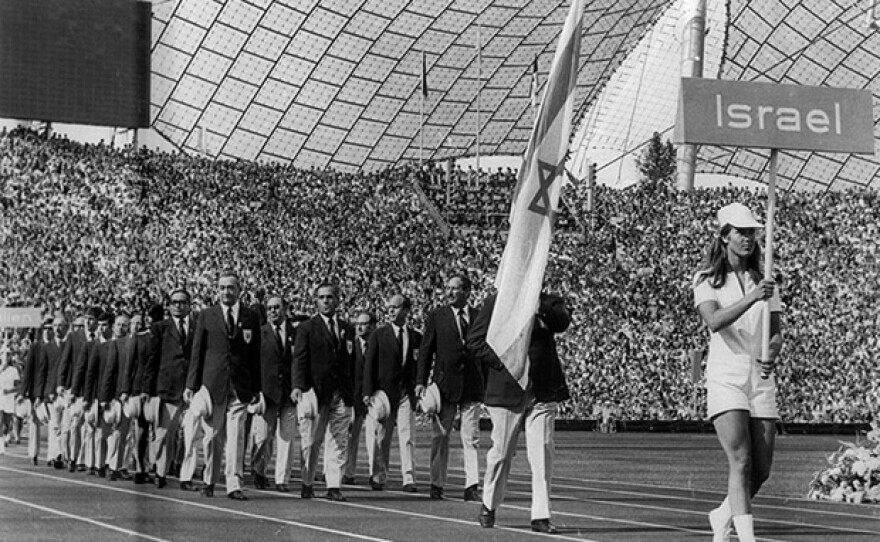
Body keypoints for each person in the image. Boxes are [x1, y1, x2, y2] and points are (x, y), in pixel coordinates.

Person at [693, 202, 782, 542]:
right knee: (741, 460)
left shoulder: (766, 281)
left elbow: (775, 334)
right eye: (741, 232)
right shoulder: (706, 279)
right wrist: (753, 297)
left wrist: (771, 354)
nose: (748, 238)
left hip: (760, 377)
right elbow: (714, 321)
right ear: (725, 236)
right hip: (726, 374)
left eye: (752, 232)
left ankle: (722, 513)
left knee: (760, 470)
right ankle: (746, 538)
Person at [468, 290, 572, 534]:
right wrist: (505, 362)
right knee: (502, 453)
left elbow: (562, 322)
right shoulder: (497, 301)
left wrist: (540, 307)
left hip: (542, 390)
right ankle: (489, 504)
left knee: (543, 453)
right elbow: (475, 340)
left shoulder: (546, 300)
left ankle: (541, 514)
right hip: (507, 390)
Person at [186, 271, 262, 500]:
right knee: (212, 436)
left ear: (239, 290)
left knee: (237, 436)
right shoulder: (207, 315)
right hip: (213, 383)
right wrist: (192, 383)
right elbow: (197, 352)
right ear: (217, 290)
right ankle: (209, 480)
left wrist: (256, 388)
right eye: (222, 287)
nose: (226, 292)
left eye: (231, 287)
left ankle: (233, 484)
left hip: (239, 384)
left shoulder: (250, 316)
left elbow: (255, 355)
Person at [416, 274, 484, 501]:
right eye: (448, 288)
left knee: (471, 437)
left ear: (467, 291)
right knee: (441, 436)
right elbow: (426, 350)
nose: (450, 292)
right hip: (444, 386)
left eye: (455, 289)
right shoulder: (437, 316)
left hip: (472, 385)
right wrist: (420, 382)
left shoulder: (478, 316)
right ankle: (437, 483)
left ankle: (471, 485)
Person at [291, 282, 355, 502]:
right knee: (311, 441)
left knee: (339, 440)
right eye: (322, 297)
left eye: (330, 297)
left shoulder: (347, 328)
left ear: (337, 299)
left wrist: (352, 392)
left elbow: (352, 361)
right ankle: (307, 482)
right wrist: (298, 386)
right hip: (316, 391)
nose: (326, 301)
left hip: (341, 392)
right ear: (316, 301)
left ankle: (333, 485)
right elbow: (299, 359)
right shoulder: (307, 328)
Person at [363, 293, 422, 493]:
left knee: (407, 436)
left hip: (406, 391)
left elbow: (419, 365)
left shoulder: (415, 337)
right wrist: (368, 392)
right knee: (382, 437)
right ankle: (378, 476)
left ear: (405, 311)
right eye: (389, 307)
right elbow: (369, 365)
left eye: (395, 307)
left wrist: (419, 386)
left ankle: (409, 478)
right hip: (384, 394)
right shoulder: (379, 335)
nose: (390, 310)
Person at [147, 290, 196, 490]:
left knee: (191, 435)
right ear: (169, 306)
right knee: (164, 434)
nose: (178, 306)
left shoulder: (197, 328)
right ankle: (160, 471)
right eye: (175, 302)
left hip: (191, 387)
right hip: (167, 388)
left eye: (183, 302)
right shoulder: (160, 328)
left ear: (189, 305)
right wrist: (148, 391)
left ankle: (186, 476)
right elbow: (152, 359)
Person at [251, 296, 297, 492]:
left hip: (289, 393)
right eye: (269, 308)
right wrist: (255, 391)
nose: (273, 311)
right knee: (262, 438)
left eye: (277, 307)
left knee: (286, 438)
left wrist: (298, 387)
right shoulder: (259, 334)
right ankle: (259, 471)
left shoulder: (297, 333)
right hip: (266, 394)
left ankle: (281, 479)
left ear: (285, 308)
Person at [342, 310, 375, 485]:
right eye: (357, 324)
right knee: (350, 437)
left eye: (364, 323)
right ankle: (348, 471)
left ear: (372, 325)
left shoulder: (377, 346)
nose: (360, 327)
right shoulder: (350, 346)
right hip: (354, 397)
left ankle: (374, 473)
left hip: (373, 397)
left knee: (374, 437)